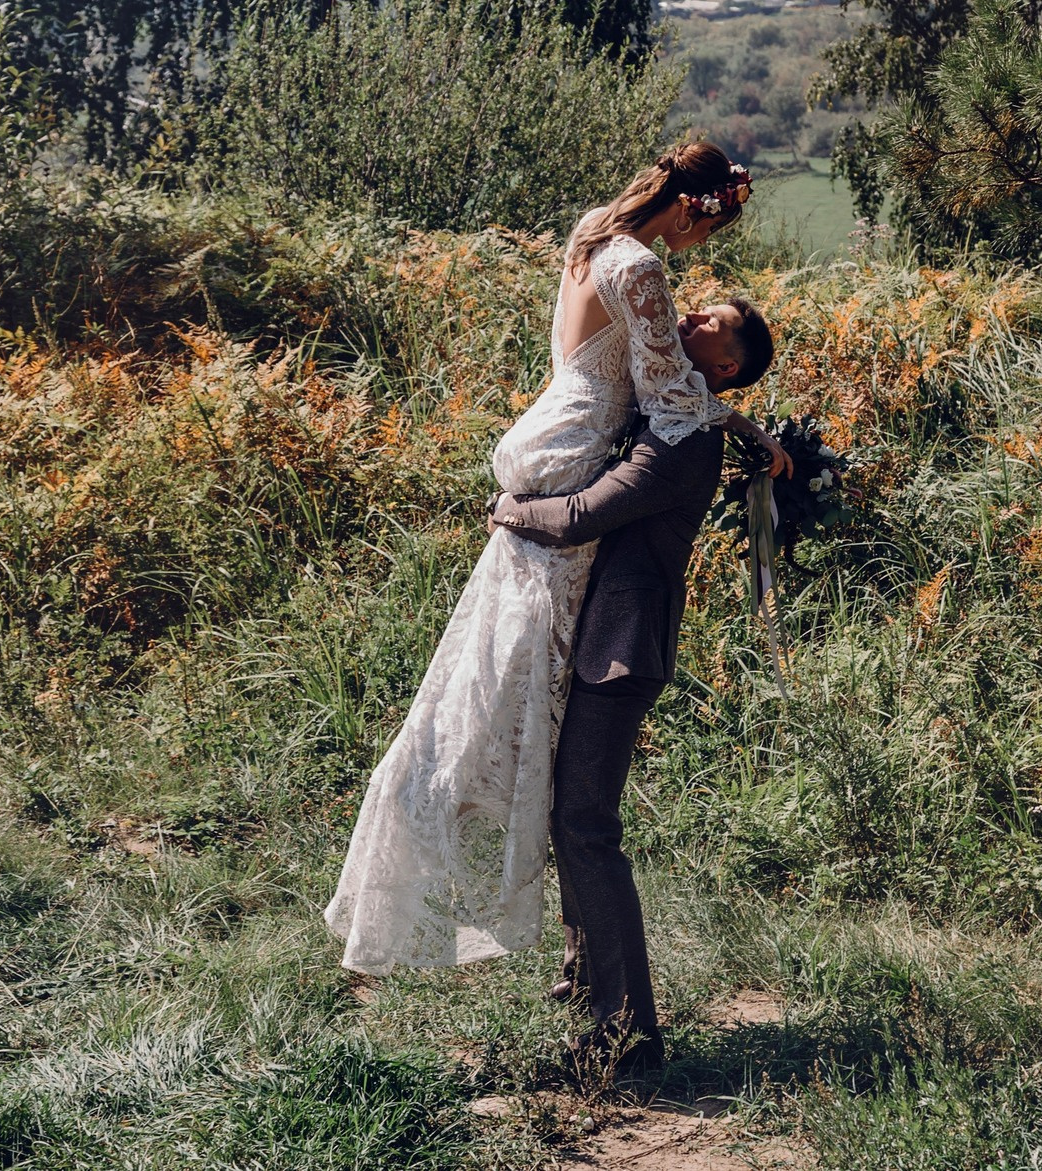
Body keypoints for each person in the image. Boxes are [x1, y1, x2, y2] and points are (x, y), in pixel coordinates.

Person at [325, 144, 791, 975]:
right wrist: (742, 423)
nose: (694, 264)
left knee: (489, 691)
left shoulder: (592, 231)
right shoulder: (643, 265)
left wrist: (727, 415)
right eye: (703, 236)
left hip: (549, 429)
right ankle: (478, 880)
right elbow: (669, 396)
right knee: (516, 706)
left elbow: (666, 380)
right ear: (688, 211)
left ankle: (559, 943)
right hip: (573, 464)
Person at [489, 296, 776, 1080]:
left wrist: (510, 507)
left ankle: (629, 1042)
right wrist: (753, 428)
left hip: (620, 650)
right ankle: (591, 990)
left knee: (585, 825)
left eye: (709, 321)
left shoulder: (683, 443)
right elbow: (665, 382)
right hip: (602, 640)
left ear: (724, 364)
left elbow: (584, 514)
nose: (690, 318)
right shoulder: (686, 412)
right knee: (568, 817)